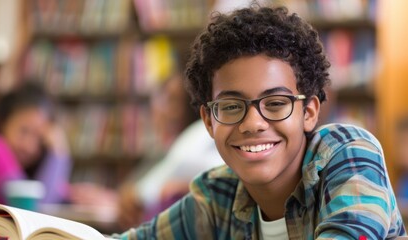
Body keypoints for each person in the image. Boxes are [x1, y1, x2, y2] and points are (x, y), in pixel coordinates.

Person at [114, 4, 406, 239]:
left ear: (309, 112)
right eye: (230, 106)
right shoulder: (218, 196)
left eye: (276, 103)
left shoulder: (347, 153)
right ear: (208, 120)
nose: (253, 123)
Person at [0, 81, 72, 204]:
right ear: (3, 122)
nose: (28, 146)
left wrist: (76, 195)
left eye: (39, 138)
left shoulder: (18, 171)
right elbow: (32, 204)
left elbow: (54, 191)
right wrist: (59, 153)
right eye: (24, 131)